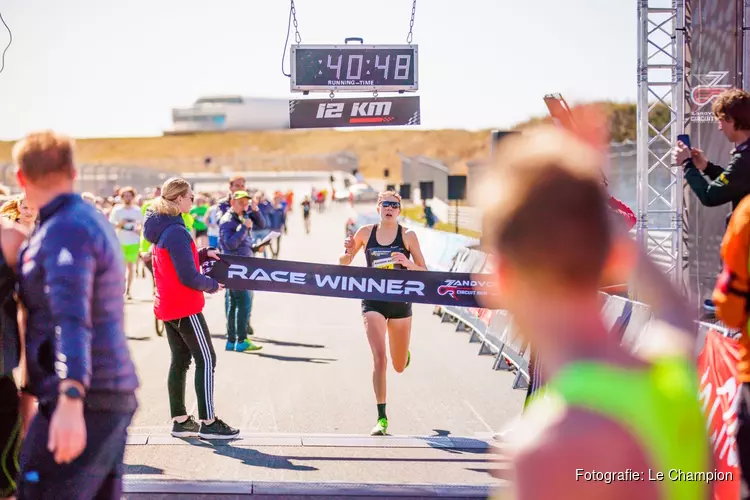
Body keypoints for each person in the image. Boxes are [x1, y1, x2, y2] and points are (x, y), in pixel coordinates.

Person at [478, 125, 709, 499]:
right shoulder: (671, 371)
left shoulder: (543, 448)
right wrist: (590, 209)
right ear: (610, 253)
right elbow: (676, 309)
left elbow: (675, 308)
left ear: (503, 277)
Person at [13, 130, 139, 499]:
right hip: (104, 392)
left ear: (20, 177)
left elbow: (70, 317)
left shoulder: (64, 229)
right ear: (73, 171)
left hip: (86, 396)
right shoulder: (83, 219)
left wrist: (71, 397)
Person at [143, 177, 239, 440]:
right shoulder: (176, 231)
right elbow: (187, 275)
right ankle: (208, 422)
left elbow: (177, 262)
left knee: (181, 360)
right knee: (207, 359)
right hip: (184, 306)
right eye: (190, 196)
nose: (193, 199)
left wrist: (203, 254)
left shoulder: (163, 226)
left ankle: (181, 420)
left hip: (167, 305)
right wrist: (211, 284)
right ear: (178, 199)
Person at [340, 191, 427, 436]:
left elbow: (425, 270)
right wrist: (347, 251)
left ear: (399, 210)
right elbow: (343, 263)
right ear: (378, 207)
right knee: (380, 358)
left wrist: (409, 265)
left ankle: (403, 353)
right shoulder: (365, 233)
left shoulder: (408, 235)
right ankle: (381, 417)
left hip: (400, 304)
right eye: (385, 204)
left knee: (398, 365)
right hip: (373, 301)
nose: (390, 208)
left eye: (394, 205)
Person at [0, 219, 31, 500]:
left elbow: (31, 309)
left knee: (6, 480)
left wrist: (31, 384)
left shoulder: (10, 237)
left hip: (1, 372)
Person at [218, 191, 263, 353]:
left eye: (246, 202)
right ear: (232, 203)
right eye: (241, 202)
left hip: (241, 265)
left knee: (236, 303)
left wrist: (255, 210)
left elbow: (262, 224)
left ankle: (232, 341)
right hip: (235, 268)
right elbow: (230, 245)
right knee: (242, 303)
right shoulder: (228, 220)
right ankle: (241, 340)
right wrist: (245, 227)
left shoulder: (242, 216)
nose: (244, 206)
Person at [109, 186, 143, 300]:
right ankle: (121, 289)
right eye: (125, 196)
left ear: (133, 197)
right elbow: (111, 224)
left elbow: (141, 224)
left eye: (130, 195)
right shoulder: (117, 210)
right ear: (121, 197)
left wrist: (139, 229)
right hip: (120, 241)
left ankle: (128, 290)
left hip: (133, 241)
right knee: (121, 268)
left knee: (130, 267)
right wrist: (120, 224)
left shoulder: (137, 210)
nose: (127, 198)